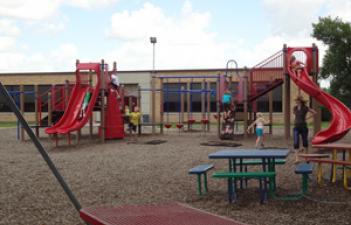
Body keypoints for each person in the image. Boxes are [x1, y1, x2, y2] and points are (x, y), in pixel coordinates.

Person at [293, 95, 316, 162]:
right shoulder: (294, 108)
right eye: (296, 101)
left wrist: (307, 118)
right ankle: (297, 159)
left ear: (300, 101)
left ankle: (307, 158)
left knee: (305, 142)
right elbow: (296, 116)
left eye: (297, 100)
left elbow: (314, 112)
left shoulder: (305, 108)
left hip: (303, 127)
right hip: (296, 127)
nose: (296, 102)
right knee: (296, 142)